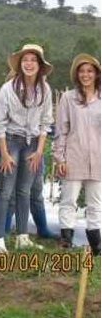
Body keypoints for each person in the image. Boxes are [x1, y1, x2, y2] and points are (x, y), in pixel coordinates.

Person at [0, 44, 53, 253]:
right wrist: (5, 153)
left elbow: (46, 122)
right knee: (5, 190)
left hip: (33, 143)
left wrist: (39, 151)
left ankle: (22, 237)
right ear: (20, 64)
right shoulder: (8, 89)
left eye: (33, 60)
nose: (29, 64)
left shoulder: (45, 89)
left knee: (25, 190)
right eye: (25, 60)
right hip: (10, 140)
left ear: (40, 65)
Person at [53, 53, 101, 255]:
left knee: (95, 203)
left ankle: (96, 246)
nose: (85, 75)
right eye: (82, 71)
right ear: (76, 75)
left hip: (98, 158)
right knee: (69, 200)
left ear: (97, 74)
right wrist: (59, 158)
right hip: (73, 156)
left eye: (90, 71)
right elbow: (61, 130)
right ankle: (66, 242)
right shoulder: (68, 98)